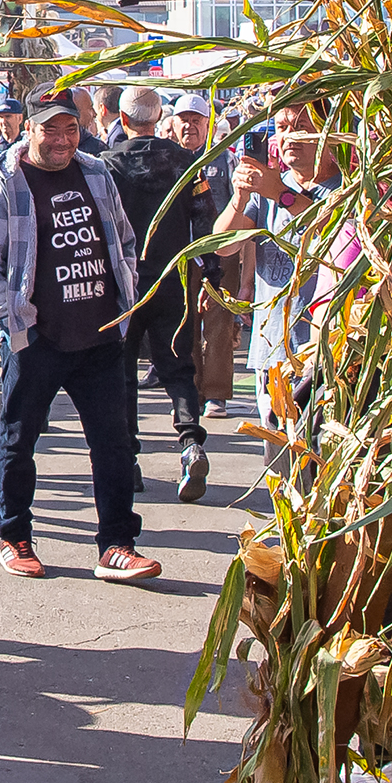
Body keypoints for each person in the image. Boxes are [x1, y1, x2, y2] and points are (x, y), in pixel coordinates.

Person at [0, 92, 158, 584]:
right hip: (39, 339)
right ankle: (14, 536)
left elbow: (123, 240)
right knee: (18, 439)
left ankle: (117, 545)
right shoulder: (5, 185)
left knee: (114, 445)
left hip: (99, 335)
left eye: (69, 129)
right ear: (28, 130)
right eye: (49, 129)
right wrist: (18, 325)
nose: (61, 140)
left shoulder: (96, 172)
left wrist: (125, 300)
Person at [103, 83, 211, 501]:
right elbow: (204, 220)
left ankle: (128, 459)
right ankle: (190, 442)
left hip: (123, 282)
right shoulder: (187, 163)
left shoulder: (106, 165)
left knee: (122, 372)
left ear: (123, 120)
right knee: (178, 367)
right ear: (159, 117)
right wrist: (208, 274)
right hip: (173, 277)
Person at [212, 96, 338, 407]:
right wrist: (240, 198)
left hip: (324, 351)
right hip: (273, 350)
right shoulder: (267, 187)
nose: (289, 137)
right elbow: (223, 246)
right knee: (278, 450)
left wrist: (281, 195)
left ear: (327, 132)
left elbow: (337, 235)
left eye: (302, 128)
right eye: (281, 128)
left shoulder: (343, 187)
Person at [170, 92, 245, 411]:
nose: (190, 126)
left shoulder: (225, 158)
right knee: (182, 323)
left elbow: (241, 203)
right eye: (184, 120)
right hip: (179, 255)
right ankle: (190, 392)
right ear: (172, 124)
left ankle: (216, 393)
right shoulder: (167, 157)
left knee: (218, 322)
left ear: (209, 125)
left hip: (221, 253)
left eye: (197, 121)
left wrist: (242, 257)